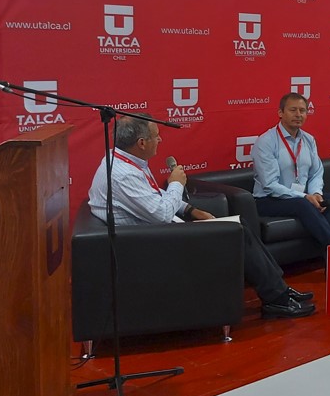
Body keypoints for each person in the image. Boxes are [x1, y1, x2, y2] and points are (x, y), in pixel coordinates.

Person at [87, 115, 314, 319]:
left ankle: (279, 290)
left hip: (156, 233)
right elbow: (162, 213)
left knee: (241, 225)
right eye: (156, 136)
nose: (160, 140)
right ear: (141, 143)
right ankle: (277, 299)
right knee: (238, 231)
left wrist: (190, 210)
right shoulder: (123, 174)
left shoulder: (126, 161)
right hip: (150, 243)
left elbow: (154, 198)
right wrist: (176, 183)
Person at [252, 93, 330, 248]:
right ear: (280, 113)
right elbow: (269, 185)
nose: (298, 114)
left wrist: (315, 193)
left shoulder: (308, 139)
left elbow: (316, 172)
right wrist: (305, 196)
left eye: (302, 110)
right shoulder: (266, 141)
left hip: (301, 197)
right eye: (293, 110)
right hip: (268, 200)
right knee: (302, 204)